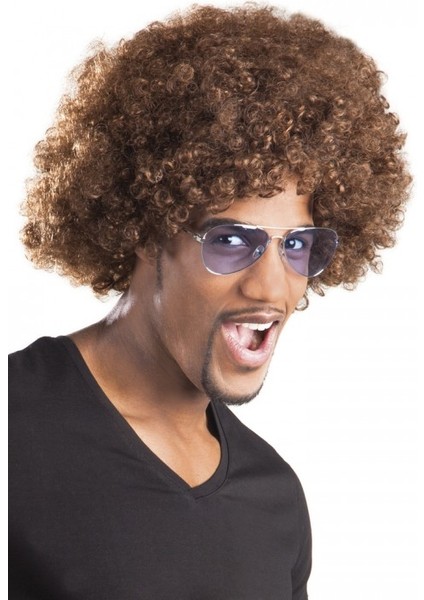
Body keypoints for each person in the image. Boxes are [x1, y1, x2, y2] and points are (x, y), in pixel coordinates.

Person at [9, 4, 411, 599]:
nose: (271, 289)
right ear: (146, 230)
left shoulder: (275, 499)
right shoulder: (15, 428)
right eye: (230, 241)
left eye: (297, 245)